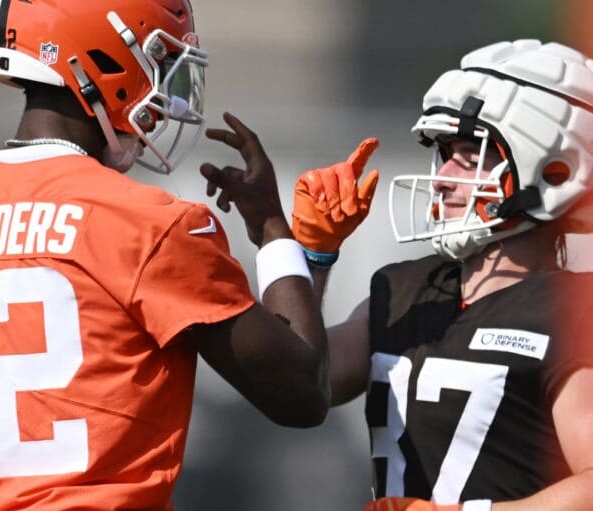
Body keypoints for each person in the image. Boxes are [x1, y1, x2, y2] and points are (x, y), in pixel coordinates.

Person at [0, 2, 331, 510]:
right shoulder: (151, 223)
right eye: (158, 65)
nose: (164, 96)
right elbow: (302, 392)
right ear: (104, 59)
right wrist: (274, 231)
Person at [214, 39, 593, 511]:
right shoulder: (404, 290)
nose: (442, 176)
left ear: (556, 170)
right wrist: (303, 250)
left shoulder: (573, 312)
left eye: (469, 155)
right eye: (445, 153)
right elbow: (297, 380)